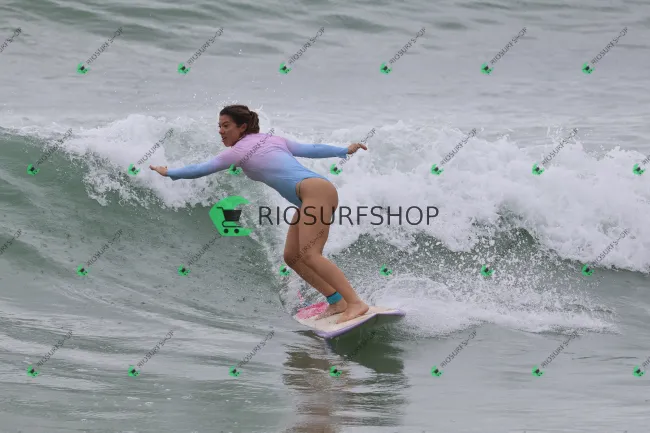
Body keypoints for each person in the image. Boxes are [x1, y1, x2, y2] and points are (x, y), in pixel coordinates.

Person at [149, 105, 369, 323]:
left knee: (311, 254)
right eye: (219, 126)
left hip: (315, 193)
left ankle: (355, 303)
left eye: (226, 126)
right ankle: (336, 301)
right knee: (292, 256)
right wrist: (343, 150)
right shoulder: (272, 139)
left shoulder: (238, 151)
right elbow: (311, 149)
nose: (221, 131)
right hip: (311, 195)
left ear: (242, 127)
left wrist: (169, 172)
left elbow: (200, 169)